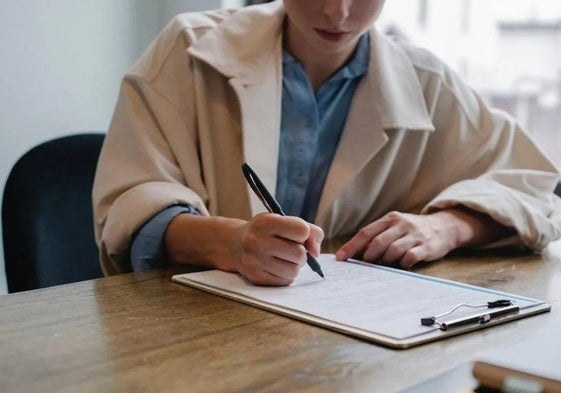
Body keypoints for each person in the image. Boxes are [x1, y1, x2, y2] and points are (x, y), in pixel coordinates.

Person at [93, 0, 561, 286]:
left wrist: (446, 227)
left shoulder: (428, 83)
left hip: (354, 347)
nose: (337, 11)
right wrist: (228, 243)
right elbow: (131, 204)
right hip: (193, 334)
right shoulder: (187, 48)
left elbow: (535, 188)